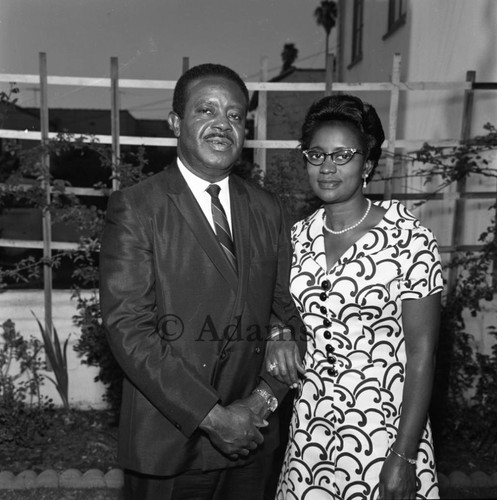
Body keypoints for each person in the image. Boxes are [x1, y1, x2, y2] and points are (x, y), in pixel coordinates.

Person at [99, 63, 304, 500]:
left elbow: (286, 313)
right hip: (170, 443)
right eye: (205, 110)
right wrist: (214, 417)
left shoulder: (269, 209)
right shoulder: (138, 208)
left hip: (251, 442)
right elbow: (128, 328)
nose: (221, 124)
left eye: (234, 115)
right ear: (175, 122)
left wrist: (259, 404)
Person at [266, 94, 444, 499]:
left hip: (384, 435)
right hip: (310, 434)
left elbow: (422, 353)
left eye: (343, 155)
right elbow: (275, 310)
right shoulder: (295, 239)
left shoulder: (409, 238)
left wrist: (403, 455)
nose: (327, 167)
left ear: (367, 165)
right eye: (316, 154)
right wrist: (278, 334)